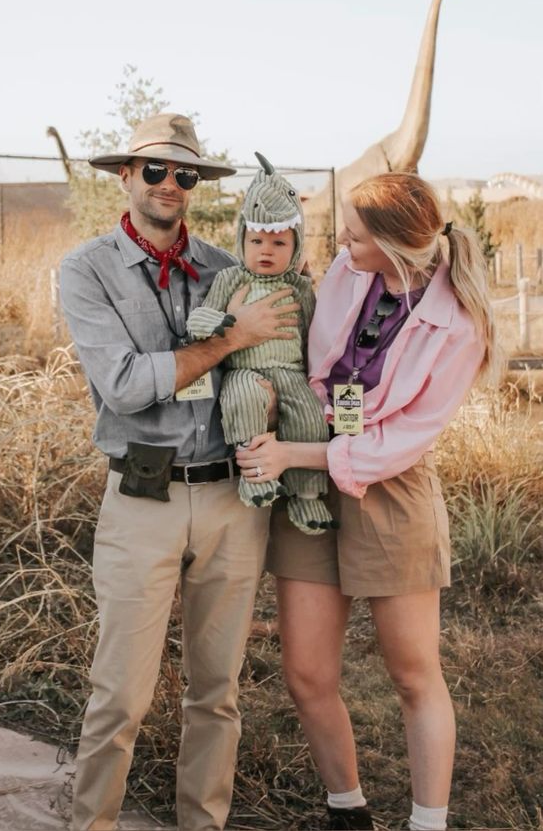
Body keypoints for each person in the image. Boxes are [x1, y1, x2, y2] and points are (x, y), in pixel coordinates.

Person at [59, 112, 299, 831]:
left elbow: (280, 360)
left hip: (230, 496)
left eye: (185, 173)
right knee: (120, 694)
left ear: (196, 185)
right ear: (126, 176)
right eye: (156, 170)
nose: (170, 184)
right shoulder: (86, 268)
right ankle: (92, 821)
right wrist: (232, 339)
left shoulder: (228, 268)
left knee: (216, 689)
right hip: (143, 498)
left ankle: (204, 820)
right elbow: (126, 385)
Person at [236, 172, 496, 831]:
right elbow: (310, 364)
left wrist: (291, 454)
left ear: (393, 242)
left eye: (353, 228)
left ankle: (426, 822)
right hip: (309, 482)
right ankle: (346, 811)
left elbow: (394, 444)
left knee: (412, 673)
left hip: (391, 488)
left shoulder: (457, 326)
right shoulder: (349, 272)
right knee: (305, 672)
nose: (340, 236)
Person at [186, 151, 333, 532]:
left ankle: (307, 497)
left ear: (296, 249)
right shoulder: (232, 280)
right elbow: (206, 316)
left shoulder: (301, 288)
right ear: (243, 240)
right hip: (244, 368)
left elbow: (315, 334)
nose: (266, 251)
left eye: (279, 244)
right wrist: (211, 321)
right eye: (257, 241)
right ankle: (257, 478)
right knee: (243, 398)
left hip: (291, 372)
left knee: (308, 420)